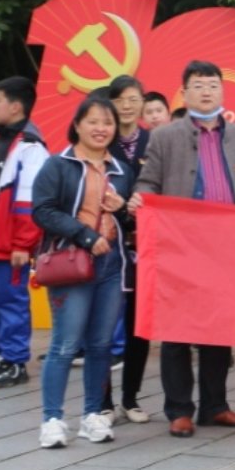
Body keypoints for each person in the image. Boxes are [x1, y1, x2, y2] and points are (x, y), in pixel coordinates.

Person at [134, 61, 235, 436]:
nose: (207, 91)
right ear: (185, 92)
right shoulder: (165, 136)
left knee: (219, 327)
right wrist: (140, 199)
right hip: (180, 245)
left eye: (213, 85)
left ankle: (215, 406)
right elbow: (147, 182)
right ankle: (179, 409)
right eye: (199, 85)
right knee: (177, 329)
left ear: (222, 91)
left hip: (226, 246)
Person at [30, 95, 133, 448]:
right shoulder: (58, 165)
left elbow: (132, 222)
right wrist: (85, 236)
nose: (101, 129)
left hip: (111, 265)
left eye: (107, 123)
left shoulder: (121, 170)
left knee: (101, 345)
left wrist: (122, 209)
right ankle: (52, 419)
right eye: (93, 121)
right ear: (77, 125)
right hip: (71, 263)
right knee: (65, 344)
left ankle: (92, 415)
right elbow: (42, 210)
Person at [0, 78, 48, 390]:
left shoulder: (31, 146)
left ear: (15, 106)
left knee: (10, 300)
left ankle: (14, 361)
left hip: (8, 243)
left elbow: (29, 200)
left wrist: (22, 243)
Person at [104, 75, 152, 423]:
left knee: (139, 325)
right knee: (104, 326)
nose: (127, 106)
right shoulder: (102, 142)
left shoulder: (154, 141)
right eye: (120, 100)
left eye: (134, 99)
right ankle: (102, 401)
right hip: (109, 244)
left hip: (146, 246)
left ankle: (131, 399)